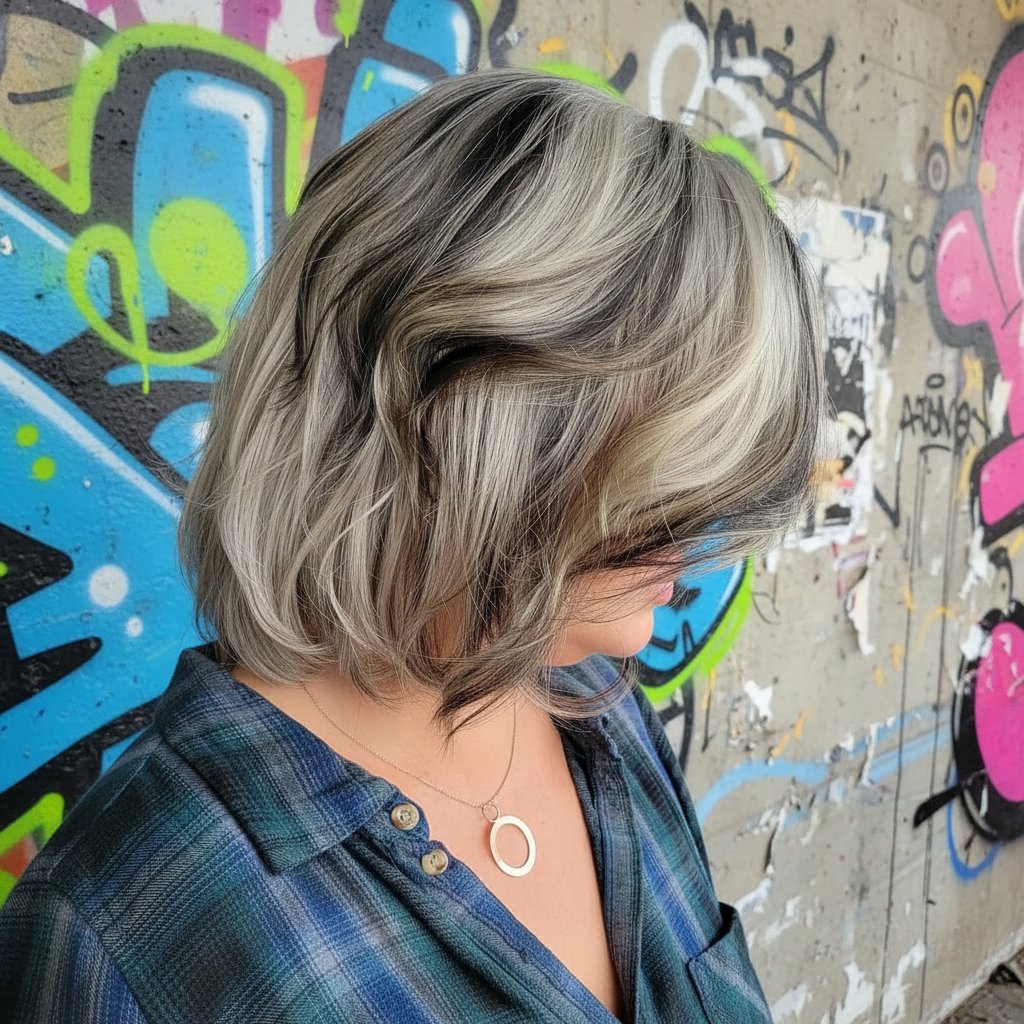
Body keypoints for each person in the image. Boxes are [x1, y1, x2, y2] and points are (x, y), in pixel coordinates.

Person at [0, 68, 826, 1022]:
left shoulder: (601, 714)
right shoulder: (112, 937)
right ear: (462, 434)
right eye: (669, 476)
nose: (705, 526)